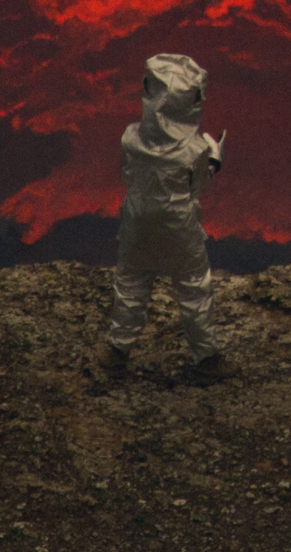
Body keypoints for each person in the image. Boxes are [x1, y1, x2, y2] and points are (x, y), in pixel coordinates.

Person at [92, 53, 229, 382]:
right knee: (193, 288)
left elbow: (128, 176)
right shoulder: (194, 150)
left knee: (131, 285)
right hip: (178, 225)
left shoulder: (130, 137)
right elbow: (196, 186)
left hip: (137, 220)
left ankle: (116, 354)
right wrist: (214, 160)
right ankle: (207, 360)